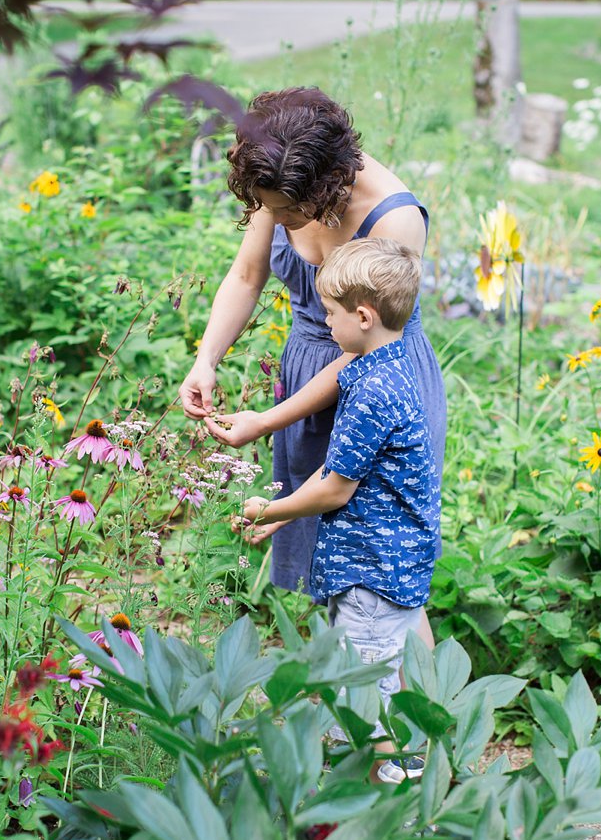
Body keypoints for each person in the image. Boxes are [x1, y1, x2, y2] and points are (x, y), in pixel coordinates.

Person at [176, 86, 445, 651]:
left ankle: (427, 712)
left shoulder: (394, 218)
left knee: (382, 569)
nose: (276, 220)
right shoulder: (278, 184)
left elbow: (360, 350)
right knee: (330, 559)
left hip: (371, 379)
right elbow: (247, 276)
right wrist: (205, 360)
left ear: (325, 186)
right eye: (268, 208)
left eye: (285, 212)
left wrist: (268, 420)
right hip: (307, 374)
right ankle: (355, 703)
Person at [241, 238, 440, 783]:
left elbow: (335, 489)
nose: (324, 323)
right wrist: (289, 513)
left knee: (365, 703)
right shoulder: (388, 364)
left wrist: (268, 509)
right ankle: (375, 784)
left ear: (363, 316)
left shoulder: (374, 390)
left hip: (372, 574)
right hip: (385, 562)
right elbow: (351, 473)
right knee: (364, 688)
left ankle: (384, 806)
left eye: (329, 313)